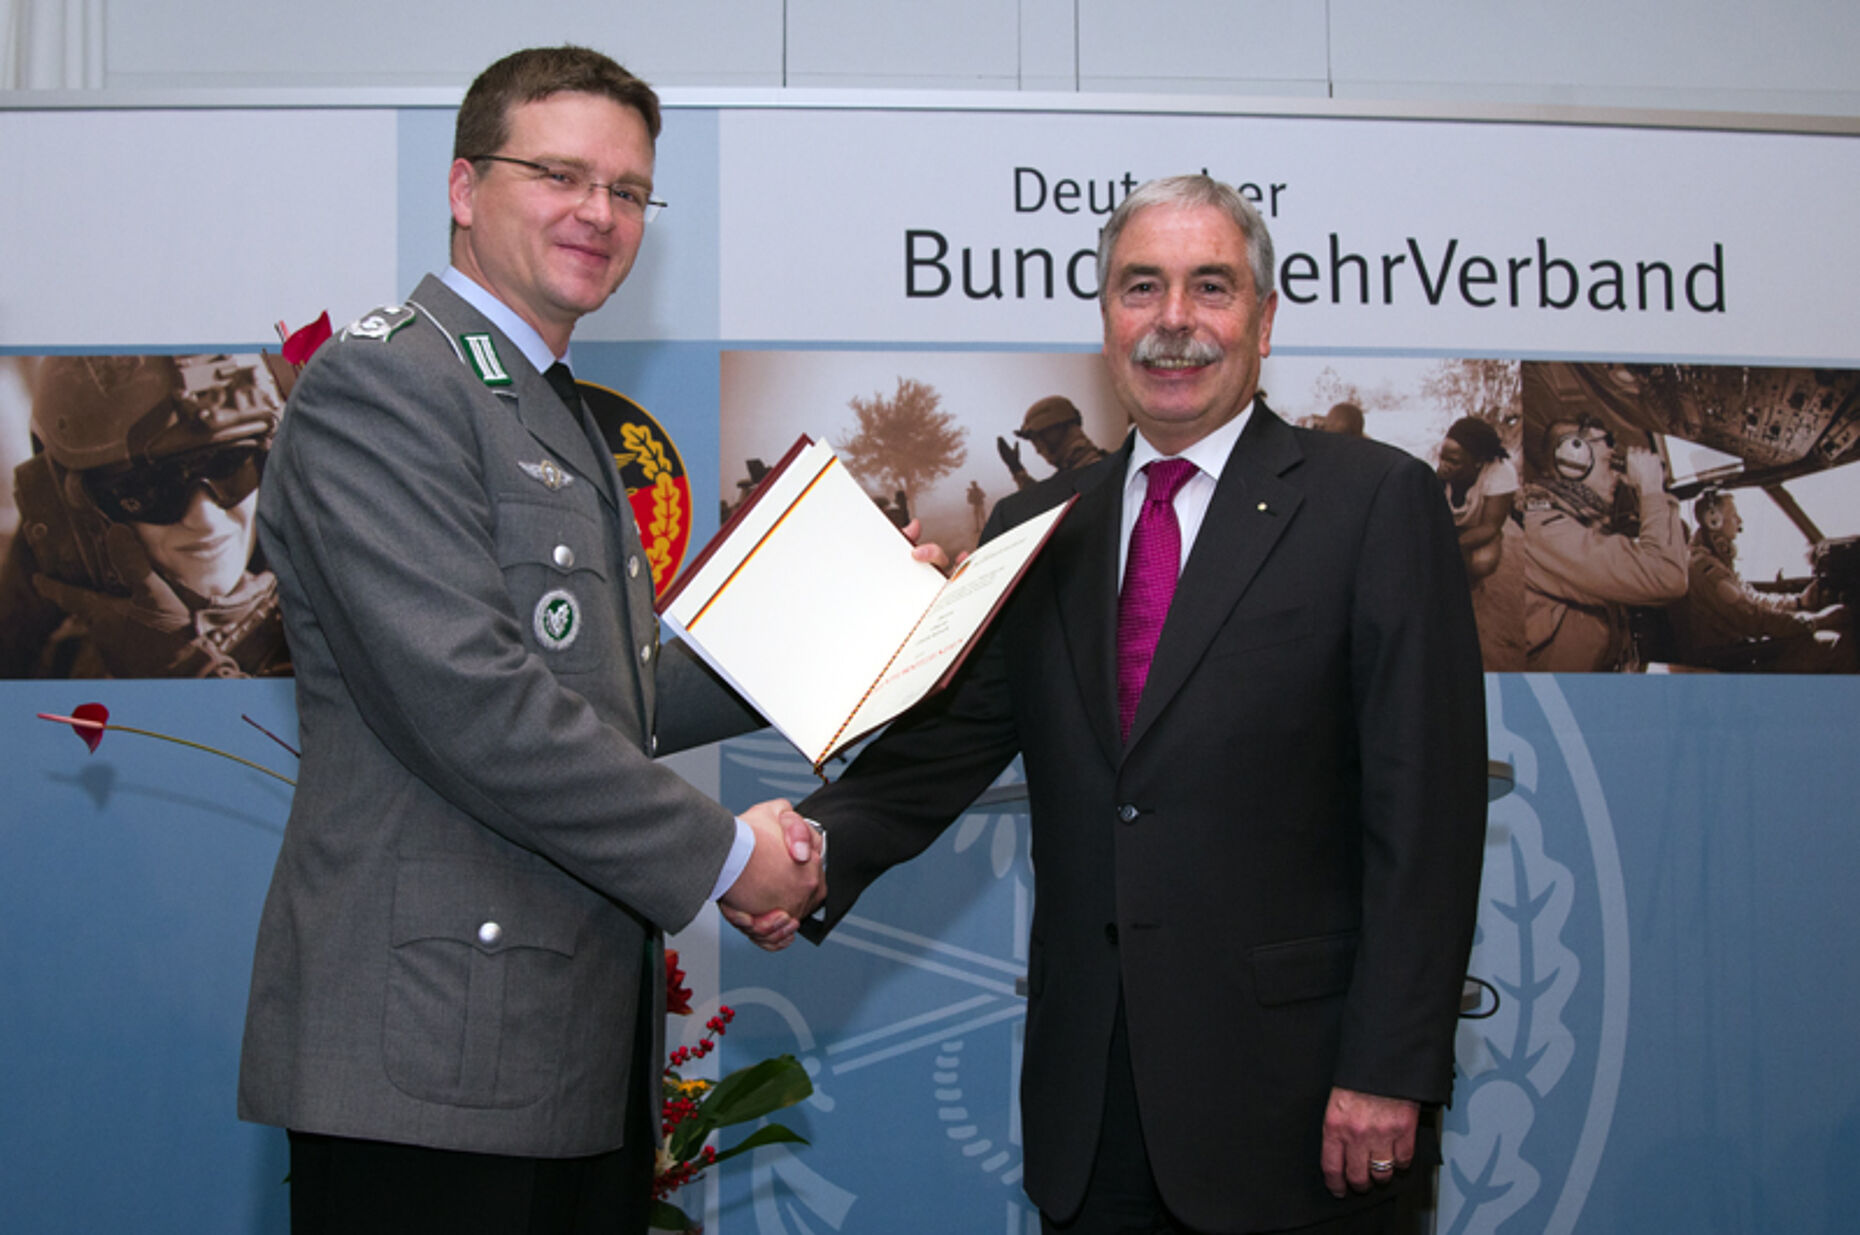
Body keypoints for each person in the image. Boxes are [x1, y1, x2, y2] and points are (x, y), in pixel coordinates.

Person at [733, 174, 1488, 1234]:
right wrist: (807, 851)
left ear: (1263, 321)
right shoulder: (1042, 523)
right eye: (1143, 287)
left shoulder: (1373, 502)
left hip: (1308, 1106)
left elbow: (1431, 816)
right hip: (1093, 1113)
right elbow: (941, 753)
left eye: (1209, 287)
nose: (1174, 320)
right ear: (1106, 319)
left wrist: (1391, 1066)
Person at [238, 47, 838, 1235]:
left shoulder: (538, 395)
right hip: (428, 1064)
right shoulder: (387, 383)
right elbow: (475, 699)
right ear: (464, 187)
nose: (598, 212)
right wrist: (724, 851)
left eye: (627, 190)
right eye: (559, 173)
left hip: (547, 1048)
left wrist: (839, 626)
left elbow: (607, 686)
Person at [0, 353, 289, 678]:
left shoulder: (330, 633)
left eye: (230, 467)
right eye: (155, 487)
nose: (205, 518)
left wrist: (187, 673)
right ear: (85, 506)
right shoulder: (67, 648)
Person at [1518, 414, 1688, 671]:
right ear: (1572, 459)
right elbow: (1667, 575)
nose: (1618, 478)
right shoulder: (1542, 529)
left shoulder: (1573, 522)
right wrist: (1652, 490)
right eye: (1609, 463)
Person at [1667, 489, 1852, 671]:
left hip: (1737, 653)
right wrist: (1817, 621)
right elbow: (1754, 620)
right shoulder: (1707, 571)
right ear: (1714, 521)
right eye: (1734, 516)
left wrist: (1798, 602)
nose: (1740, 521)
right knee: (1840, 645)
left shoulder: (1715, 562)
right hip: (1726, 662)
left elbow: (1753, 600)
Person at [997, 394, 1109, 491]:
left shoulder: (1099, 472)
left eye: (1038, 440)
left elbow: (1047, 503)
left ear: (1056, 431)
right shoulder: (1074, 473)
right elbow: (1044, 501)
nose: (1038, 450)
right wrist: (1017, 470)